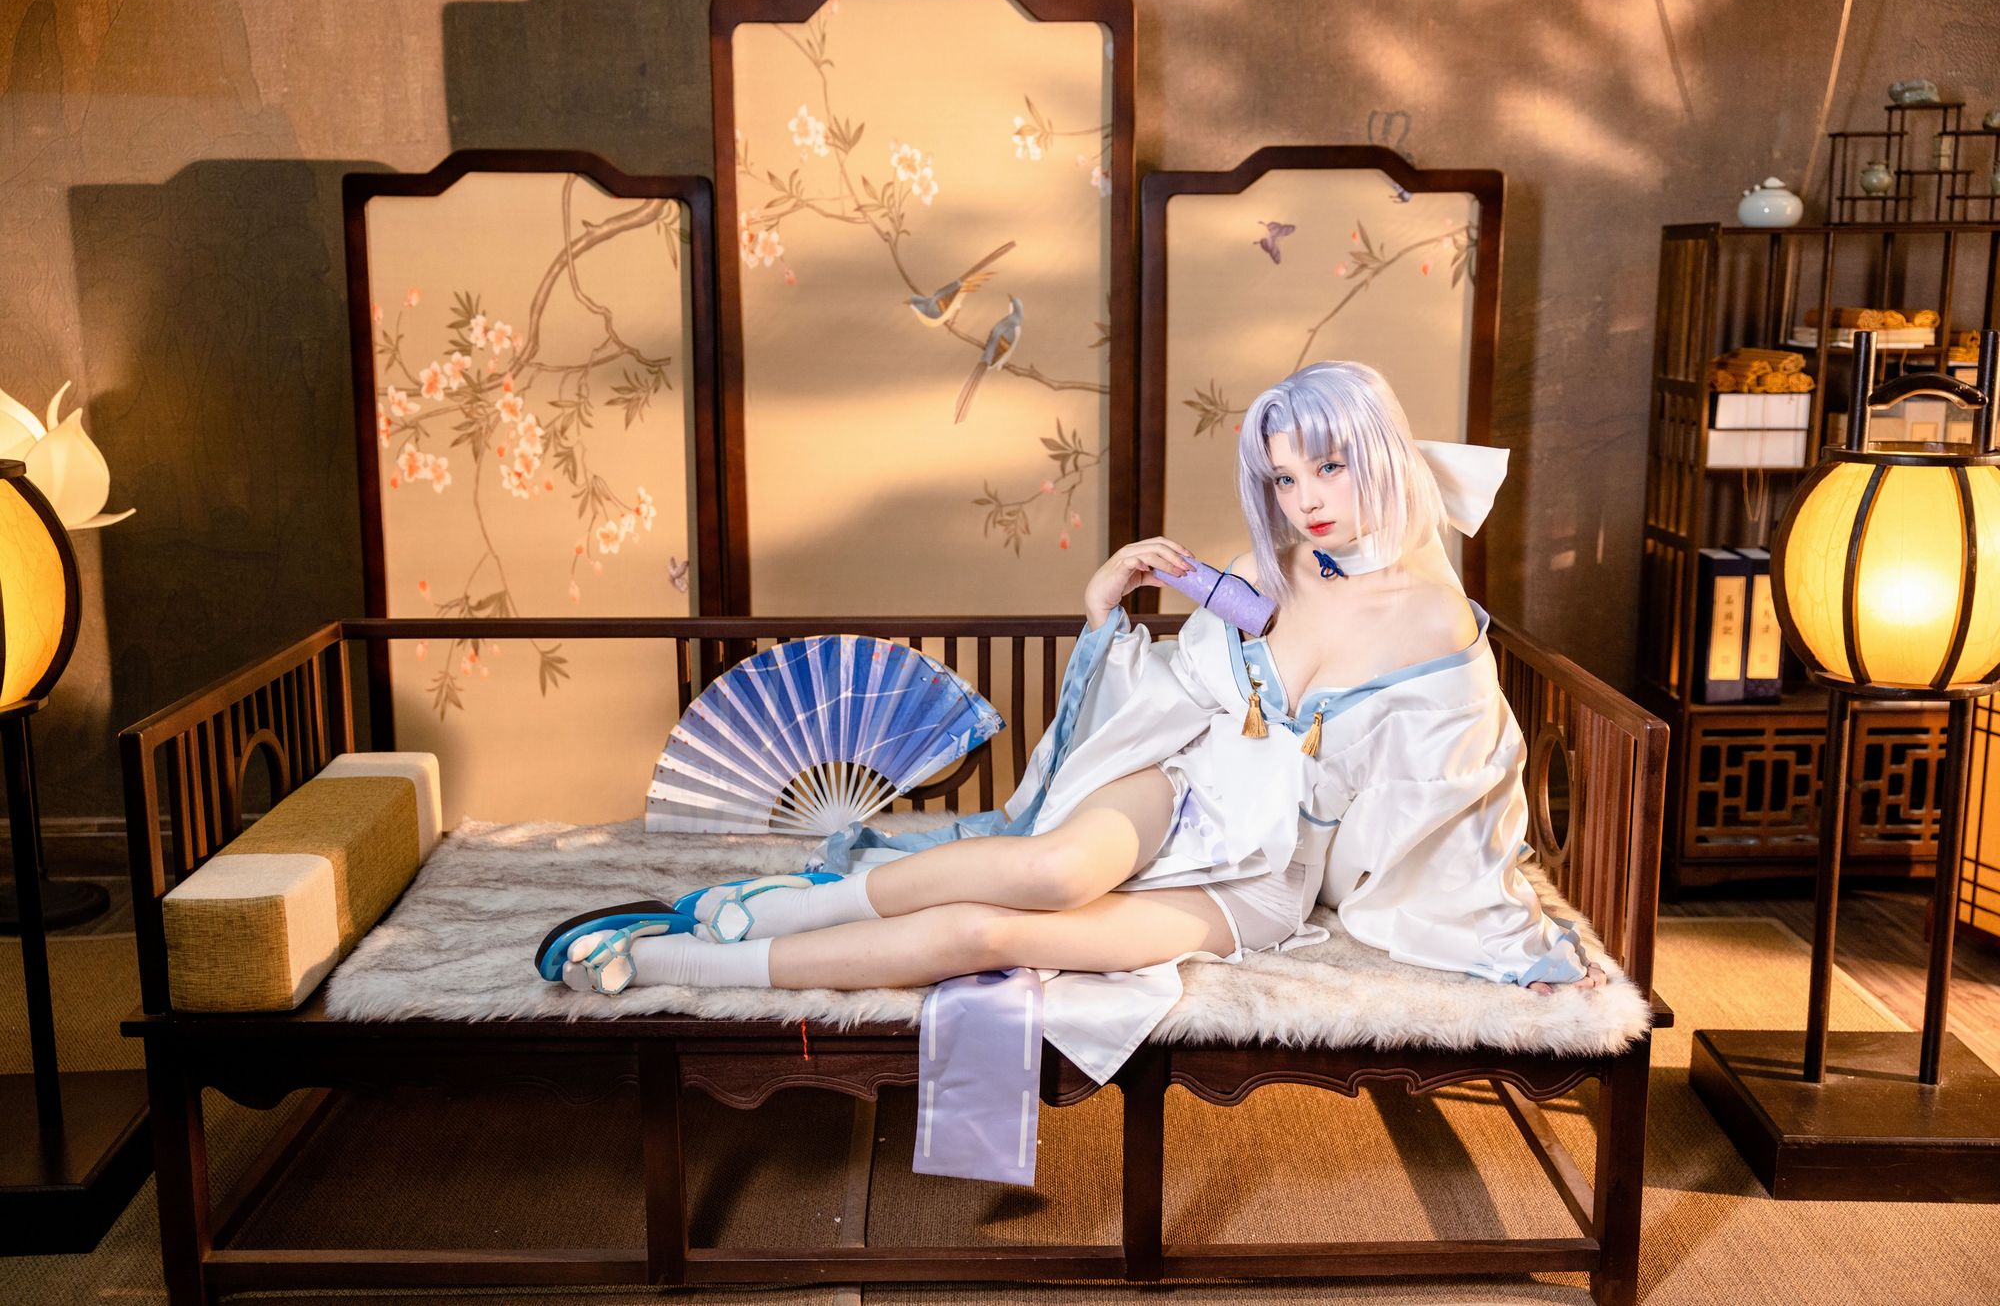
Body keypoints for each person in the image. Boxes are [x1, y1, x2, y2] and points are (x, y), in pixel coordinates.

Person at [551, 359, 1604, 1083]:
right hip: (1182, 787)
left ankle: (669, 961)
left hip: (1258, 876)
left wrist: (1518, 944)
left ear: (1379, 450)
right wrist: (1109, 600)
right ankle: (759, 908)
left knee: (989, 935)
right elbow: (1192, 681)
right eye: (1284, 478)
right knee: (1050, 870)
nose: (1306, 500)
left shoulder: (1433, 626)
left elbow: (1452, 798)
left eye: (1326, 467)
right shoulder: (1279, 563)